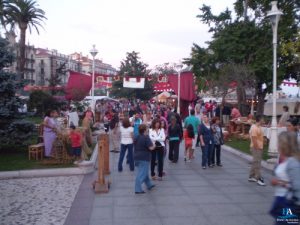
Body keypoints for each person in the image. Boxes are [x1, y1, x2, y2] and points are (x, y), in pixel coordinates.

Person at [269, 131, 300, 223]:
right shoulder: (284, 159)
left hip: (289, 202)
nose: (277, 145)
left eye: (279, 143)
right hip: (281, 199)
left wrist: (279, 182)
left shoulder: (293, 162)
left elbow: (297, 186)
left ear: (285, 144)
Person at [134, 124, 155, 194]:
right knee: (143, 173)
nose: (148, 129)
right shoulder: (146, 137)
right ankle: (138, 189)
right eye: (147, 128)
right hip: (144, 158)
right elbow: (151, 148)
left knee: (143, 172)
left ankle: (149, 185)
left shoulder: (137, 136)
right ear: (145, 130)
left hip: (137, 157)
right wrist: (154, 145)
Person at [248, 115, 265, 186]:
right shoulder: (254, 128)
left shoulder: (258, 127)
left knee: (255, 162)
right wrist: (257, 148)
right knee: (257, 163)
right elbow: (254, 139)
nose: (264, 120)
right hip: (256, 148)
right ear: (260, 119)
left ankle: (251, 176)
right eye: (263, 119)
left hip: (258, 147)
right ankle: (259, 178)